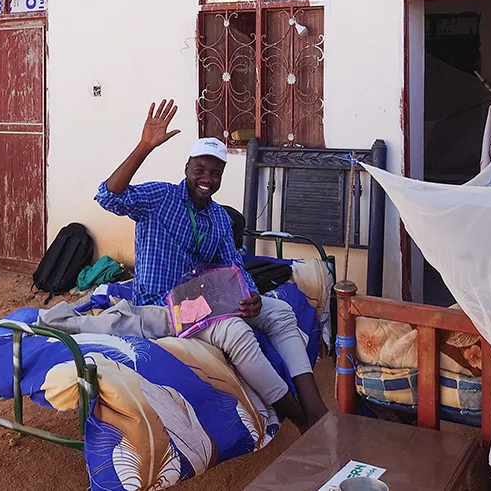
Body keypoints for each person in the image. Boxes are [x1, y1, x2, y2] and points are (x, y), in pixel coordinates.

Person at [94, 99, 328, 432]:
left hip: (203, 300)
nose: (207, 178)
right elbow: (108, 196)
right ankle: (303, 421)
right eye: (200, 169)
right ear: (187, 167)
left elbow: (234, 265)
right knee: (236, 333)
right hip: (164, 306)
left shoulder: (218, 217)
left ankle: (315, 407)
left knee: (280, 312)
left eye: (215, 172)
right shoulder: (159, 198)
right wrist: (144, 146)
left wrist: (250, 295)